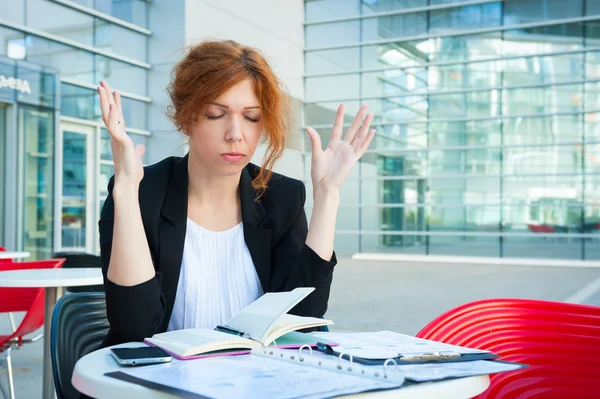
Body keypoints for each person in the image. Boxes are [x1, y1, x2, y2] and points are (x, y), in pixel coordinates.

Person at [97, 39, 375, 348]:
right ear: (187, 119)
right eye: (216, 114)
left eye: (251, 117)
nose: (235, 134)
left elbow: (300, 321)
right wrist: (125, 191)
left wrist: (327, 196)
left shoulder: (281, 197)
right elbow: (134, 329)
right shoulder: (138, 190)